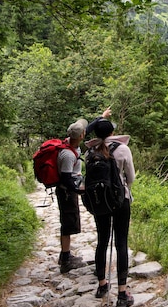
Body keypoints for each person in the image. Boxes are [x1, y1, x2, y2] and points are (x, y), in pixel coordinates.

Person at [86, 113, 136, 306]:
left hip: (100, 202)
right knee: (121, 243)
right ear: (113, 132)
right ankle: (122, 293)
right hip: (120, 200)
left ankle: (102, 284)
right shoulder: (123, 149)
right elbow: (130, 178)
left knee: (102, 241)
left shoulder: (90, 152)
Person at [56, 118, 88, 273]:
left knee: (68, 223)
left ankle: (64, 255)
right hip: (66, 193)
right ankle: (66, 260)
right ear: (81, 136)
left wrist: (102, 117)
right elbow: (66, 178)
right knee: (68, 224)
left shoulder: (71, 143)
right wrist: (80, 190)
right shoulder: (68, 155)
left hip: (68, 192)